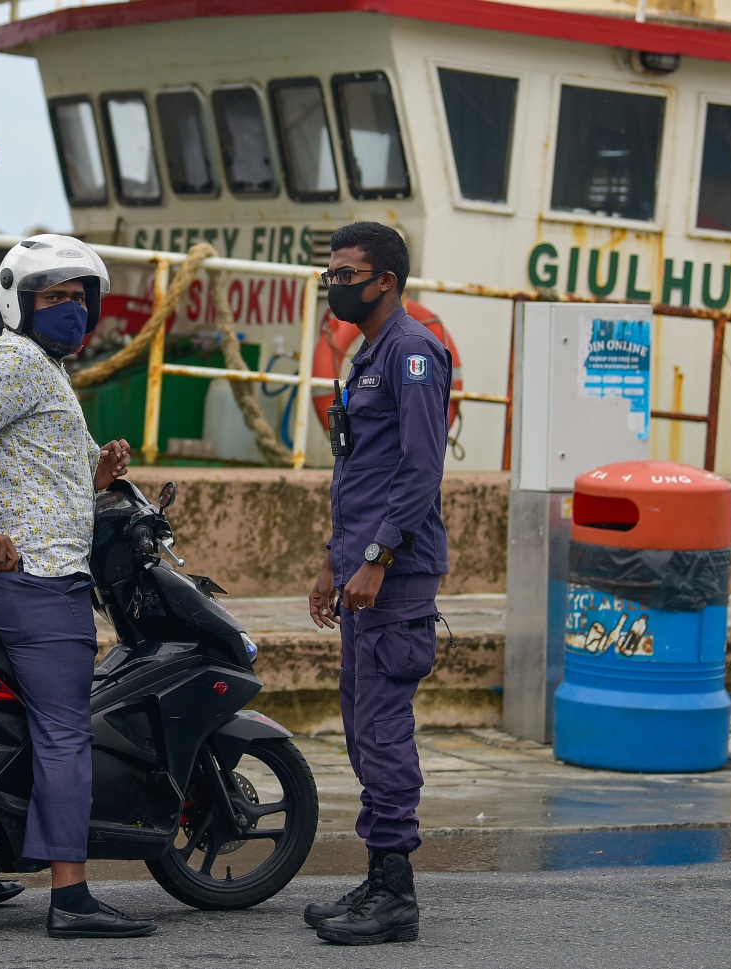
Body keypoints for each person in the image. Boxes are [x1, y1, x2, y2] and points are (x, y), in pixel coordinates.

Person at [0, 234, 154, 940]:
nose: (72, 309)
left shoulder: (48, 376)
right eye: (54, 297)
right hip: (37, 579)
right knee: (64, 733)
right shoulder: (16, 359)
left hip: (18, 577)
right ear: (19, 303)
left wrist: (103, 468)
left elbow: (52, 485)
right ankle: (72, 894)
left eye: (80, 297)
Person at [304, 221, 451, 946]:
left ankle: (397, 896)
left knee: (384, 732)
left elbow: (420, 472)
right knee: (364, 730)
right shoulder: (371, 354)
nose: (334, 283)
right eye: (330, 271)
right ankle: (380, 874)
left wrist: (376, 559)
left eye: (345, 272)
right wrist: (334, 565)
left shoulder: (414, 354)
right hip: (363, 574)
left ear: (385, 279)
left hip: (393, 580)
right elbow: (358, 475)